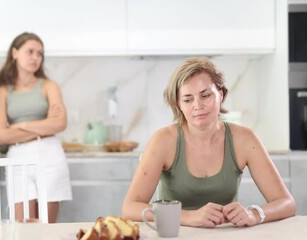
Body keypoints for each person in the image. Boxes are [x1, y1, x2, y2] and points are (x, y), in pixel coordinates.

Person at [122, 57, 296, 228]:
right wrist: (188, 216)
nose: (198, 105)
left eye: (205, 95)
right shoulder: (163, 141)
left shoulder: (244, 139)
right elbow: (130, 207)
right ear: (178, 104)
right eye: (188, 99)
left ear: (220, 95)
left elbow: (286, 203)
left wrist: (253, 214)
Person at [0, 32, 72, 223]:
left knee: (47, 227)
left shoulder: (49, 86)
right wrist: (44, 125)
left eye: (39, 54)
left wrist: (21, 125)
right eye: (30, 52)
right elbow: (2, 135)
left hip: (49, 154)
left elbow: (60, 123)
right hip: (18, 158)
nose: (35, 58)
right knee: (24, 228)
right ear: (14, 53)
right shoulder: (3, 91)